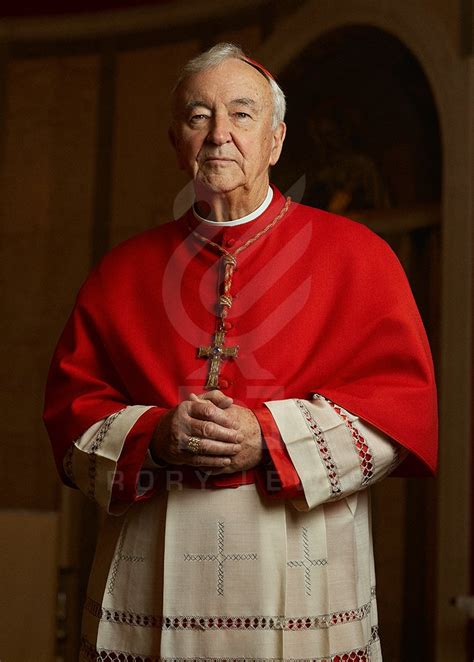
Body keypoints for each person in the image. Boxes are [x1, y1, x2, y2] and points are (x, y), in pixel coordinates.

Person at [43, 42, 437, 661]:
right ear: (177, 141)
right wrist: (155, 436)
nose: (219, 135)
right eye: (199, 116)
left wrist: (269, 436)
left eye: (242, 114)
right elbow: (70, 420)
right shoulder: (120, 273)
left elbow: (401, 413)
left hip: (303, 578)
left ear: (277, 140)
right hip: (151, 590)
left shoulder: (359, 257)